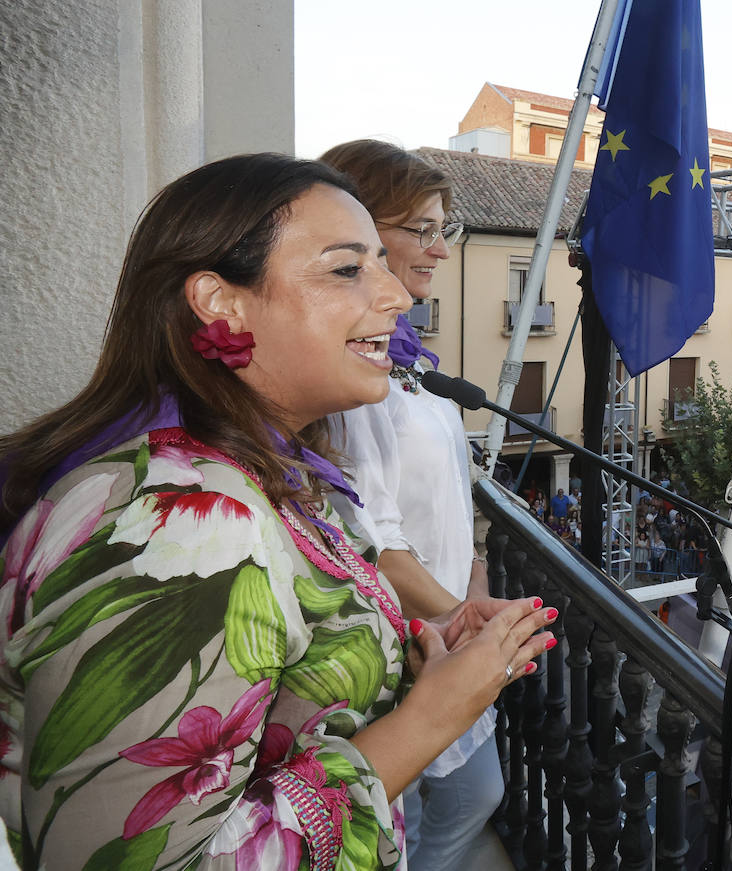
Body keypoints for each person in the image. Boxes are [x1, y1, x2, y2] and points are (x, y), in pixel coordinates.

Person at [0, 154, 556, 869]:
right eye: (347, 269)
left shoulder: (265, 468)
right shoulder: (180, 528)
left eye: (383, 264)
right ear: (221, 302)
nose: (395, 295)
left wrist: (424, 648)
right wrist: (427, 720)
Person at [320, 140, 501, 869]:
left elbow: (442, 498)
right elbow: (374, 542)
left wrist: (475, 571)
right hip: (410, 648)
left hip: (444, 625)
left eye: (441, 231)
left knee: (464, 797)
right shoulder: (354, 378)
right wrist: (465, 618)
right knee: (416, 815)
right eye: (422, 230)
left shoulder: (400, 360)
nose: (441, 251)